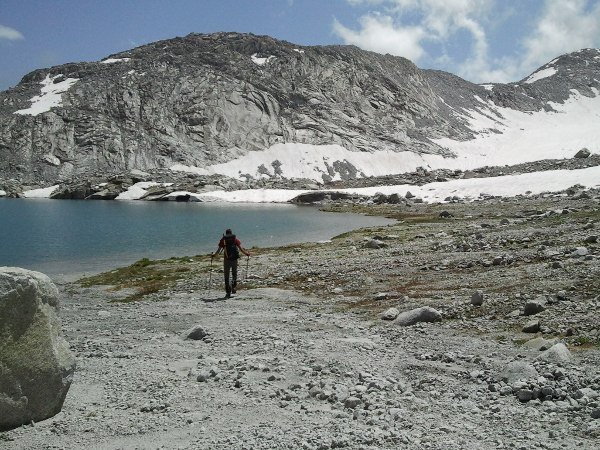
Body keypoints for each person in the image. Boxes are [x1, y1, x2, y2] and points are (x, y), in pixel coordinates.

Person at [212, 229, 251, 298]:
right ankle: (233, 288)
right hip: (234, 260)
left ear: (226, 234)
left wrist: (213, 256)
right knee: (234, 274)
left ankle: (228, 292)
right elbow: (241, 249)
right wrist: (247, 254)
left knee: (226, 276)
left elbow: (218, 251)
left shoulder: (223, 240)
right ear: (231, 233)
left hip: (226, 260)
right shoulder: (235, 239)